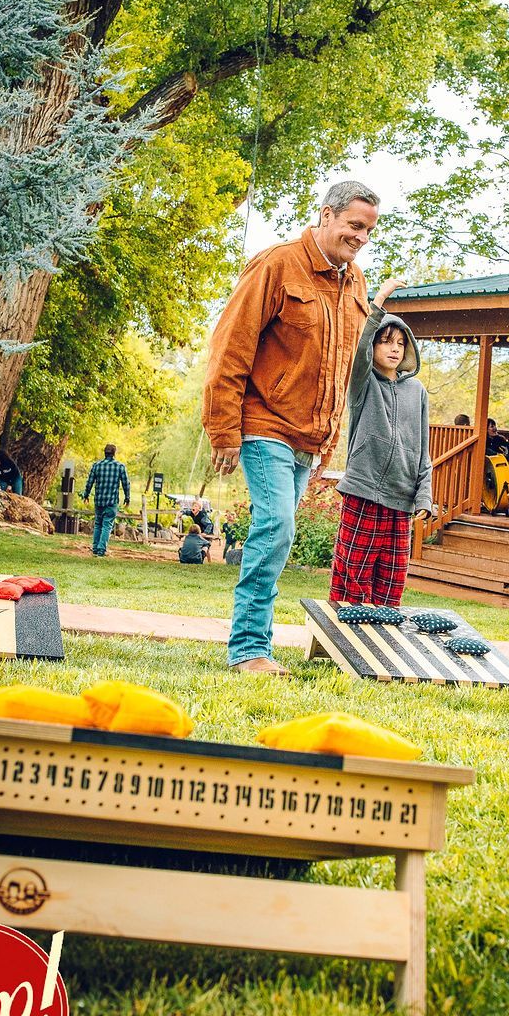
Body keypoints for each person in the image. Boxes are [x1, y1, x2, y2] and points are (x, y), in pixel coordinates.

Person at [203, 178, 379, 673]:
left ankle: (253, 645)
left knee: (279, 532)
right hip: (264, 423)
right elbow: (230, 347)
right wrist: (223, 429)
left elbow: (343, 366)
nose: (361, 237)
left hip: (311, 436)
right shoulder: (277, 264)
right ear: (326, 215)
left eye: (368, 230)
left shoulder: (356, 283)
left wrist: (330, 437)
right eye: (354, 225)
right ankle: (249, 651)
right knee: (276, 527)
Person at [329, 279, 432, 606]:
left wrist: (424, 496)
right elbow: (357, 349)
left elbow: (424, 451)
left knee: (391, 583)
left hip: (401, 500)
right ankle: (342, 644)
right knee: (353, 576)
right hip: (363, 493)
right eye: (385, 341)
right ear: (373, 346)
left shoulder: (417, 392)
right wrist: (381, 301)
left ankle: (381, 651)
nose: (394, 348)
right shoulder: (362, 384)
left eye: (400, 343)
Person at [82, 444, 131, 557]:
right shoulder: (120, 466)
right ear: (114, 453)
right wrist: (127, 497)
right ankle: (101, 549)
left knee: (98, 524)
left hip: (99, 500)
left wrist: (86, 495)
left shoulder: (96, 466)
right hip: (111, 501)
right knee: (107, 525)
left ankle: (95, 548)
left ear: (105, 453)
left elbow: (90, 482)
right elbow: (125, 483)